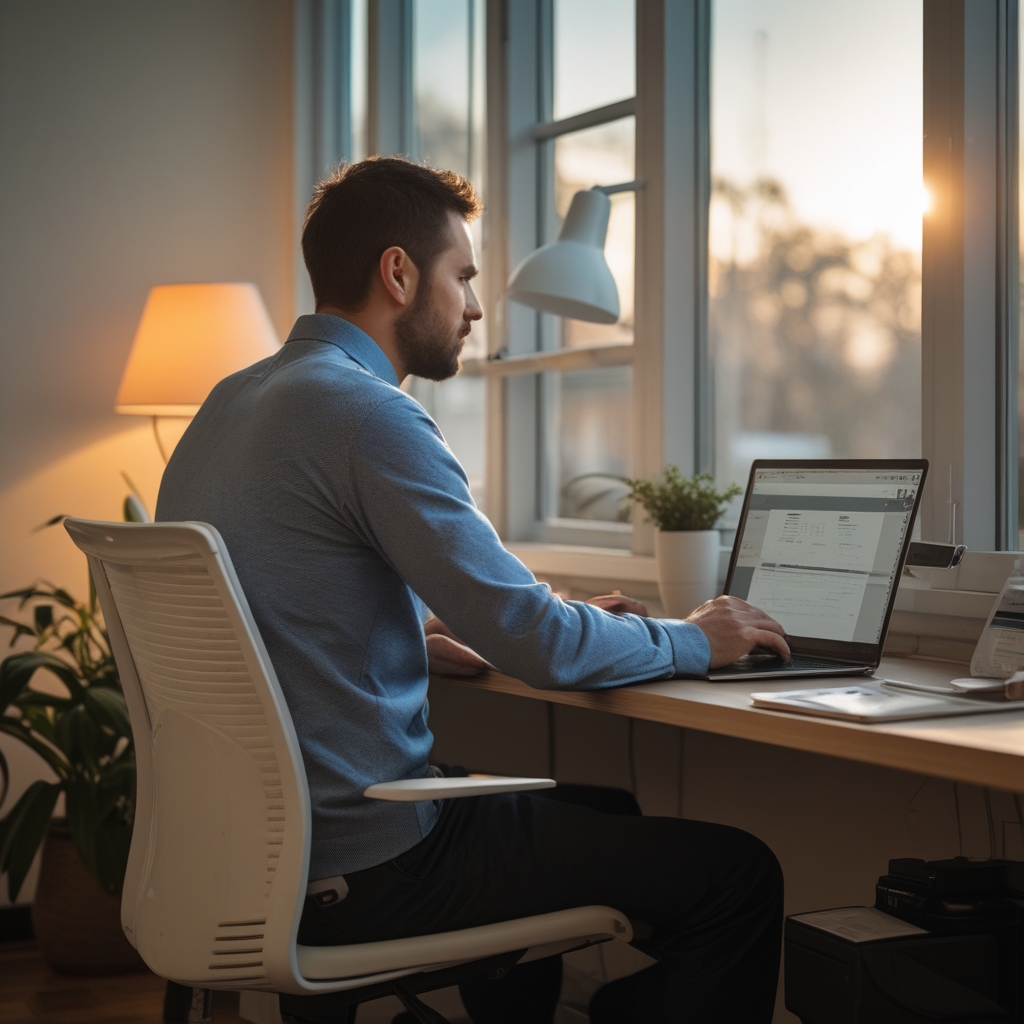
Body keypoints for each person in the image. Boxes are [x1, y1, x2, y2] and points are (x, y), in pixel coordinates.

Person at [156, 156, 789, 1023]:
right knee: (738, 875)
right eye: (463, 276)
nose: (477, 307)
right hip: (369, 866)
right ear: (398, 273)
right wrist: (697, 638)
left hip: (251, 854)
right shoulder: (368, 413)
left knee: (604, 809)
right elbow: (541, 643)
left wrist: (401, 636)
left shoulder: (227, 404)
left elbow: (264, 607)